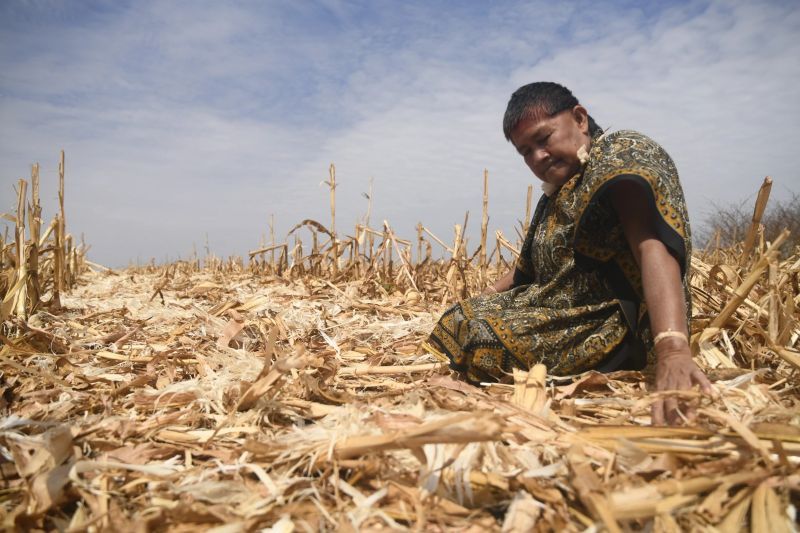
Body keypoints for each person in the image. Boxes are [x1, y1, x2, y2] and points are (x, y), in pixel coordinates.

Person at [424, 82, 713, 425]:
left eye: (543, 139)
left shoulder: (622, 155)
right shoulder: (559, 192)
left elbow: (652, 245)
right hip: (558, 307)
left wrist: (673, 348)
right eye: (525, 151)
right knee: (459, 318)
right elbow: (524, 274)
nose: (537, 157)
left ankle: (624, 358)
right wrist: (481, 296)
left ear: (579, 119)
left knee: (482, 339)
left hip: (610, 322)